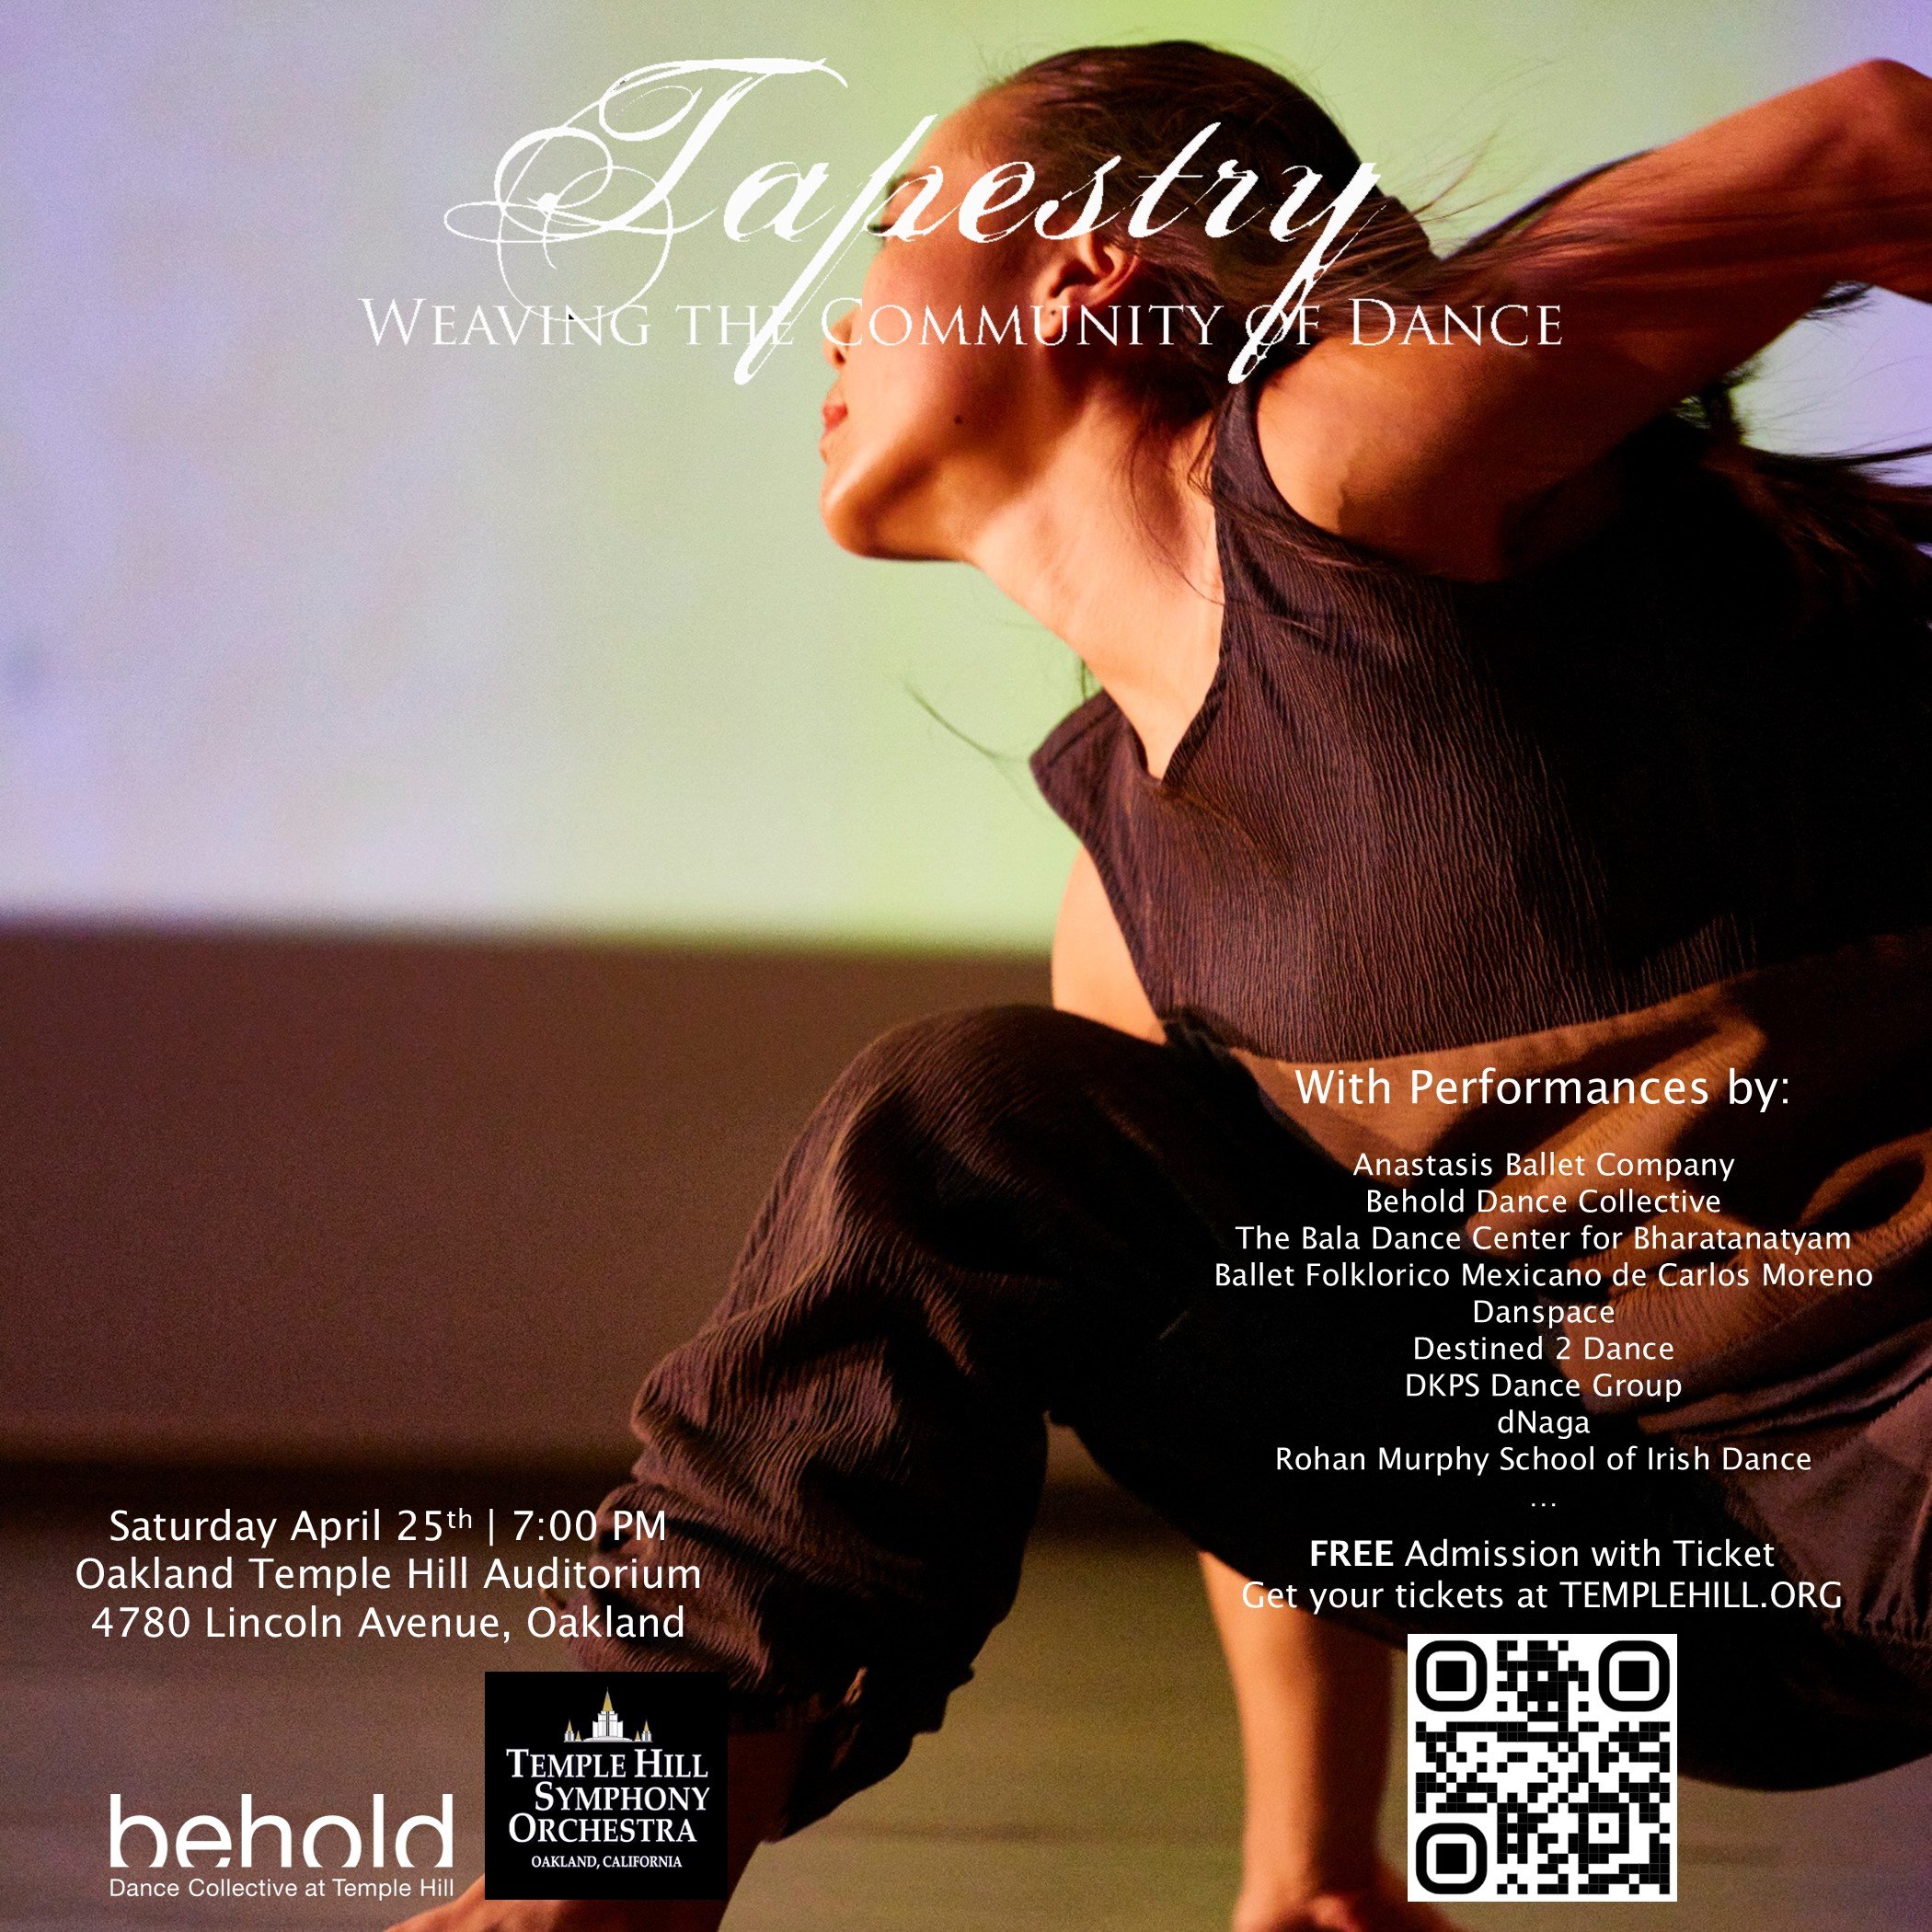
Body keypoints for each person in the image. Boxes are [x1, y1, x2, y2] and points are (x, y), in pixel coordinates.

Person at [394, 41, 1932, 1932]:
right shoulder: (1119, 899)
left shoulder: (1355, 457)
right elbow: (1276, 1379)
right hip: (1685, 1608)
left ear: (1081, 272)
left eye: (892, 229)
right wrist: (1312, 1864)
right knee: (964, 1118)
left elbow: (1872, 136)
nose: (838, 319)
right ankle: (596, 1875)